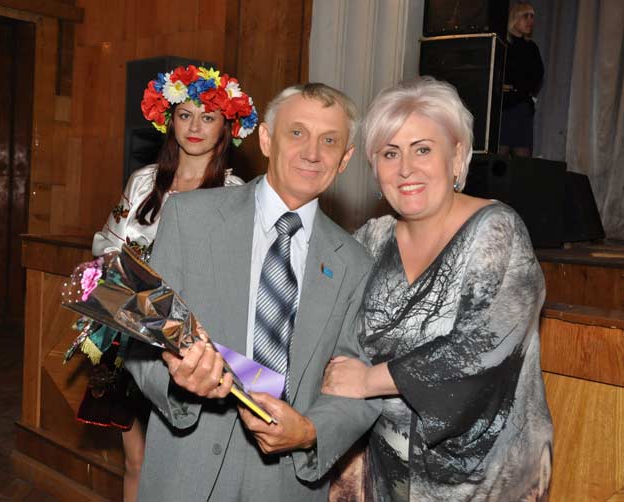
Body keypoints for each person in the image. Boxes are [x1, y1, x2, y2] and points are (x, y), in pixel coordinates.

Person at [125, 83, 382, 501]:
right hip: (187, 468)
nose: (312, 153)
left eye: (329, 141)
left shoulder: (355, 264)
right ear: (266, 138)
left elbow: (359, 386)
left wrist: (311, 431)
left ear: (345, 158)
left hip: (286, 482)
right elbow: (142, 338)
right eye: (297, 132)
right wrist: (175, 381)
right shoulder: (189, 219)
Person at [322, 76, 553, 501]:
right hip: (387, 470)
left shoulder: (496, 230)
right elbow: (320, 312)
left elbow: (477, 350)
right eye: (390, 153)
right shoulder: (372, 239)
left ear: (457, 156)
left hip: (484, 475)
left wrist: (367, 379)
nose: (405, 168)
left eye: (423, 149)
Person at [83, 65, 256, 502]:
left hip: (192, 351)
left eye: (208, 117)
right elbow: (108, 244)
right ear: (170, 121)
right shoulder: (144, 182)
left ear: (225, 128)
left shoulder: (236, 194)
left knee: (180, 468)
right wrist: (120, 284)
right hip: (132, 337)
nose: (195, 127)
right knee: (136, 460)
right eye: (185, 115)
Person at [499, 2, 544, 158]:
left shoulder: (532, 48)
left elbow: (538, 76)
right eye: (526, 16)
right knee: (499, 156)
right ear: (514, 18)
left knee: (523, 156)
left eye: (532, 17)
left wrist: (520, 91)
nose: (530, 21)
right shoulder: (502, 44)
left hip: (522, 108)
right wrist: (503, 88)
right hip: (503, 108)